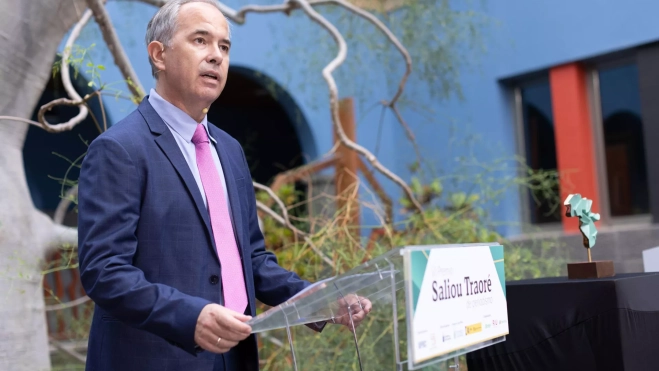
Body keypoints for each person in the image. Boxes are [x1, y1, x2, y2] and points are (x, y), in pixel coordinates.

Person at [77, 1, 371, 370]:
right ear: (159, 54)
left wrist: (315, 298)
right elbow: (104, 271)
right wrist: (190, 316)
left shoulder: (228, 149)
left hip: (235, 359)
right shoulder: (119, 149)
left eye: (224, 46)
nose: (216, 56)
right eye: (200, 40)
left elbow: (252, 258)